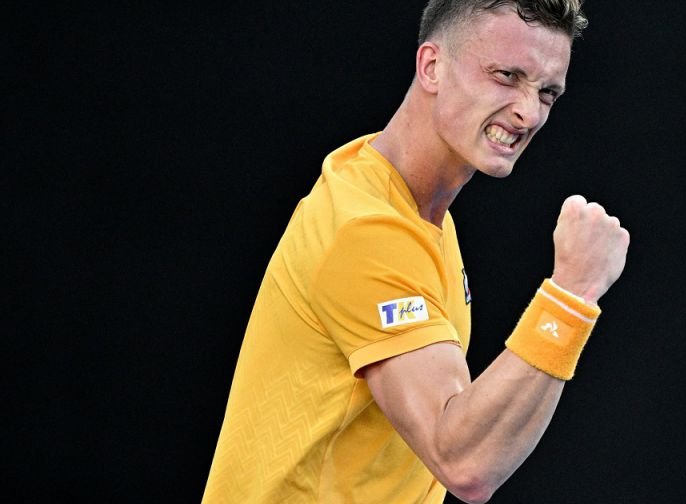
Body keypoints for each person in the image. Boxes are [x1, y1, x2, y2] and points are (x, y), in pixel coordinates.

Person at [202, 1, 629, 502]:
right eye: (506, 76)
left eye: (547, 93)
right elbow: (465, 463)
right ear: (431, 66)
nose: (528, 112)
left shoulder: (407, 206)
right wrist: (572, 295)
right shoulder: (366, 231)